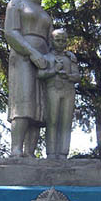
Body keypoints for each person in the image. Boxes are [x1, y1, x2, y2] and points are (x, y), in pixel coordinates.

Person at [4, 0, 53, 158]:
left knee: (39, 107)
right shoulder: (16, 4)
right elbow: (11, 33)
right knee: (23, 101)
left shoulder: (45, 13)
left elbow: (51, 40)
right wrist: (32, 52)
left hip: (44, 60)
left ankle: (30, 152)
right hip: (23, 57)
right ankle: (16, 149)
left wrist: (50, 59)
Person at [37, 28, 80, 159]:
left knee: (66, 122)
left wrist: (68, 75)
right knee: (53, 121)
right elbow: (40, 74)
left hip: (68, 90)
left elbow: (77, 76)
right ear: (52, 41)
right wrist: (54, 71)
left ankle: (63, 153)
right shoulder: (46, 57)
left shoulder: (70, 57)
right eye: (58, 40)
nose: (60, 43)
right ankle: (51, 153)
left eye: (63, 41)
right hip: (52, 90)